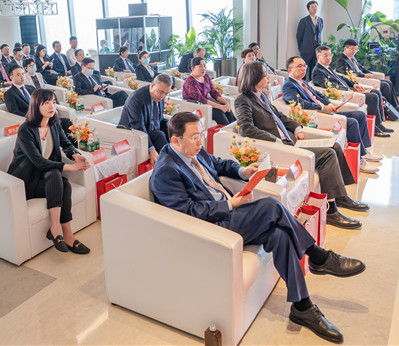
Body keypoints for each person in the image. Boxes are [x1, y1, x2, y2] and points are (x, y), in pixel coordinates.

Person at [150, 112, 365, 344]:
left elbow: (218, 163)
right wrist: (230, 204)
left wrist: (242, 171)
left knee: (280, 234)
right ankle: (318, 256)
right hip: (211, 227)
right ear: (175, 140)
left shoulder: (194, 150)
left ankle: (302, 306)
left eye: (201, 134)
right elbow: (188, 212)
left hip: (227, 214)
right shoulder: (166, 170)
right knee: (272, 206)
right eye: (194, 137)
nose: (200, 141)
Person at [234, 61, 369, 230]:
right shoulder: (243, 100)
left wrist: (297, 127)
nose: (268, 77)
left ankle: (340, 196)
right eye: (264, 75)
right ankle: (331, 211)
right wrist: (274, 140)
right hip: (279, 147)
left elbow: (280, 116)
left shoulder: (261, 96)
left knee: (334, 146)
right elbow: (246, 128)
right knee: (328, 155)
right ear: (254, 77)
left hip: (290, 141)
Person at [6, 88, 91, 255]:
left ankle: (64, 233)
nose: (52, 106)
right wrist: (71, 167)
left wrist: (75, 155)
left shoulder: (54, 124)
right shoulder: (25, 130)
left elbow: (66, 144)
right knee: (59, 179)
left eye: (53, 102)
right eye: (46, 103)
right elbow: (39, 162)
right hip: (26, 181)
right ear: (36, 105)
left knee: (62, 182)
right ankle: (57, 231)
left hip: (46, 177)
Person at [282, 56, 382, 173]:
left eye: (304, 66)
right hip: (317, 115)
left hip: (326, 110)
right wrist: (322, 107)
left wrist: (328, 103)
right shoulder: (288, 85)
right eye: (299, 66)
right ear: (290, 69)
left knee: (360, 115)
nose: (303, 69)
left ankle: (363, 151)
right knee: (351, 122)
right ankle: (359, 160)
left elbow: (318, 94)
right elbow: (299, 103)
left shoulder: (302, 82)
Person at [312, 46, 393, 137]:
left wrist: (353, 84)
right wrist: (347, 89)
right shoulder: (317, 71)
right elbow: (327, 86)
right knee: (373, 97)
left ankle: (378, 124)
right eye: (325, 55)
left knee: (376, 92)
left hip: (349, 90)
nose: (328, 58)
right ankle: (375, 128)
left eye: (330, 55)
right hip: (343, 95)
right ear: (318, 57)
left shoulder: (327, 67)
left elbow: (341, 77)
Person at [335, 39, 399, 116]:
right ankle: (394, 109)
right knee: (385, 85)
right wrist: (364, 75)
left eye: (356, 49)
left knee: (388, 82)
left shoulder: (352, 58)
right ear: (345, 48)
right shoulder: (341, 60)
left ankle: (396, 106)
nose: (354, 51)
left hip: (364, 78)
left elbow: (361, 67)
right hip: (359, 81)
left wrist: (369, 73)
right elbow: (346, 74)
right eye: (352, 49)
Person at [118, 74, 173, 164]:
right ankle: (168, 163)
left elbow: (160, 120)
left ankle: (172, 159)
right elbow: (138, 126)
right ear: (152, 86)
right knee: (159, 135)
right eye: (161, 92)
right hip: (132, 132)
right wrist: (151, 149)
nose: (162, 96)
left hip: (150, 130)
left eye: (166, 93)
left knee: (170, 129)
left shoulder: (159, 97)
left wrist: (171, 125)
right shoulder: (137, 98)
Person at [183, 56, 235, 125]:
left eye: (204, 66)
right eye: (200, 66)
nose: (203, 68)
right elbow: (201, 100)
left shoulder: (205, 77)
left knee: (227, 109)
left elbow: (214, 92)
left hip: (206, 104)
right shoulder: (190, 81)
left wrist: (226, 104)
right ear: (193, 68)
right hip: (196, 107)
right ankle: (226, 130)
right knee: (219, 112)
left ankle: (237, 128)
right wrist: (221, 107)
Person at [296, 0, 323, 79]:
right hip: (306, 50)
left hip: (316, 49)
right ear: (308, 9)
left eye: (315, 6)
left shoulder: (320, 20)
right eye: (312, 7)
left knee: (314, 70)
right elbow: (299, 36)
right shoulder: (304, 21)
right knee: (303, 70)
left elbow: (319, 33)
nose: (314, 8)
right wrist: (301, 48)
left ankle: (312, 85)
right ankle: (302, 84)